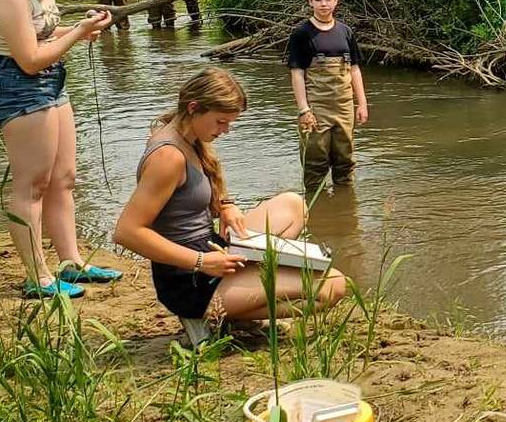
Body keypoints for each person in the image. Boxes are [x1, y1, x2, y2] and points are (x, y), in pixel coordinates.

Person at [112, 67, 348, 340]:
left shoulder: (189, 137)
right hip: (191, 280)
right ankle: (214, 316)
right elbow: (126, 232)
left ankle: (236, 311)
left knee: (293, 205)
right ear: (193, 108)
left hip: (211, 248)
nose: (226, 130)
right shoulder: (168, 157)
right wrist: (201, 261)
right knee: (333, 285)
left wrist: (226, 205)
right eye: (221, 122)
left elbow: (193, 194)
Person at [0, 0, 120, 298]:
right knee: (33, 184)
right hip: (18, 86)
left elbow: (45, 38)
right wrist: (76, 35)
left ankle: (71, 263)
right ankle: (37, 277)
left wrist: (78, 28)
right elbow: (27, 58)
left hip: (51, 79)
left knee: (64, 178)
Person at [286, 0, 369, 189]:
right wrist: (304, 109)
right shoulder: (301, 34)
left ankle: (345, 211)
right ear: (310, 2)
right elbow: (297, 74)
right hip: (316, 107)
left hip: (344, 106)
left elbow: (355, 69)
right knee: (315, 163)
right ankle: (318, 214)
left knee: (345, 161)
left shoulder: (345, 32)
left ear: (336, 1)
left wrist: (362, 104)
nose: (323, 4)